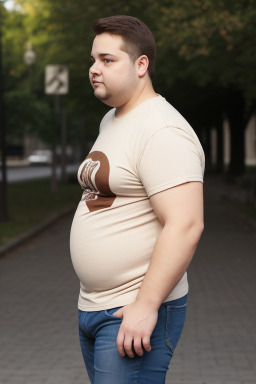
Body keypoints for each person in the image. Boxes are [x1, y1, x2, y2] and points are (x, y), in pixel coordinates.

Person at [70, 15, 204, 384]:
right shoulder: (112, 120)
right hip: (95, 306)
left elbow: (187, 224)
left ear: (141, 65)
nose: (94, 69)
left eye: (108, 60)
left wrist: (145, 307)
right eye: (94, 59)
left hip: (134, 308)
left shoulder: (162, 130)